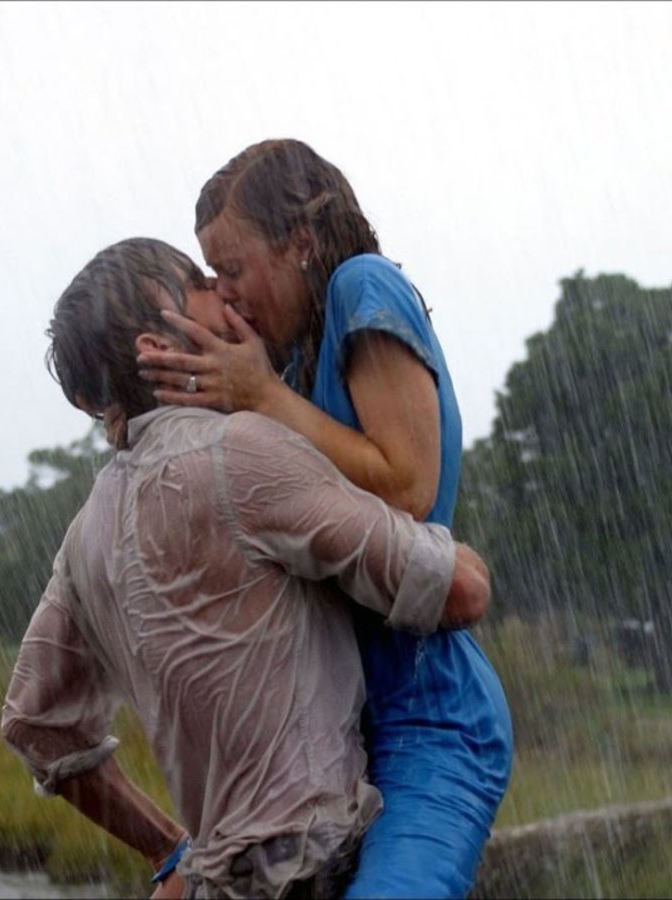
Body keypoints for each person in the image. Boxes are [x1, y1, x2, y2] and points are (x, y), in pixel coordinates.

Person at [1, 237, 496, 899]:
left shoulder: (87, 532)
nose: (222, 290)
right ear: (158, 345)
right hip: (318, 869)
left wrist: (171, 851)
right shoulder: (242, 453)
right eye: (198, 282)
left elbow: (35, 726)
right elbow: (458, 592)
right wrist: (459, 555)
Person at [137, 139, 514, 898]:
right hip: (325, 746)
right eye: (212, 277)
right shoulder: (288, 362)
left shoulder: (360, 286)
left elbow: (407, 487)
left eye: (233, 269)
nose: (227, 294)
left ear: (300, 243)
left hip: (426, 722)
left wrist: (262, 398)